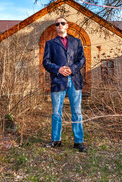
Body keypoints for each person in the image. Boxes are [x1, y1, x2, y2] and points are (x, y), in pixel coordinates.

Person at [42, 17, 87, 152]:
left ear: (67, 26)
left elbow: (82, 59)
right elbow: (46, 62)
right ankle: (56, 140)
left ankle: (78, 141)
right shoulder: (50, 44)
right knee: (56, 112)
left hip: (74, 80)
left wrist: (72, 68)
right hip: (58, 80)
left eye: (62, 23)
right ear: (55, 27)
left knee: (77, 112)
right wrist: (58, 69)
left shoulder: (76, 42)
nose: (60, 25)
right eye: (57, 24)